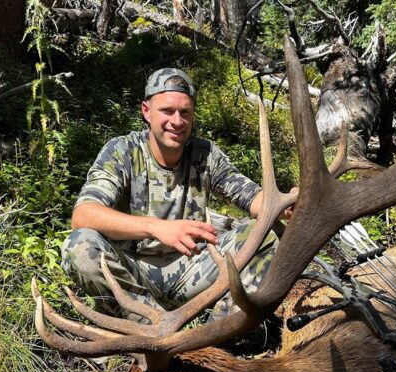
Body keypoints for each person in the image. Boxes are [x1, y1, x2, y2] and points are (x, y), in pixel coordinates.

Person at [61, 68, 282, 322]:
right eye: (167, 111)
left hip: (193, 269)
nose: (177, 121)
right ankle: (148, 326)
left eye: (185, 112)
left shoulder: (206, 154)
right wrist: (158, 228)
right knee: (79, 246)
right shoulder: (123, 150)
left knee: (270, 232)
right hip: (134, 274)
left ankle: (219, 334)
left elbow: (252, 197)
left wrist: (285, 203)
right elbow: (83, 215)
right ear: (146, 111)